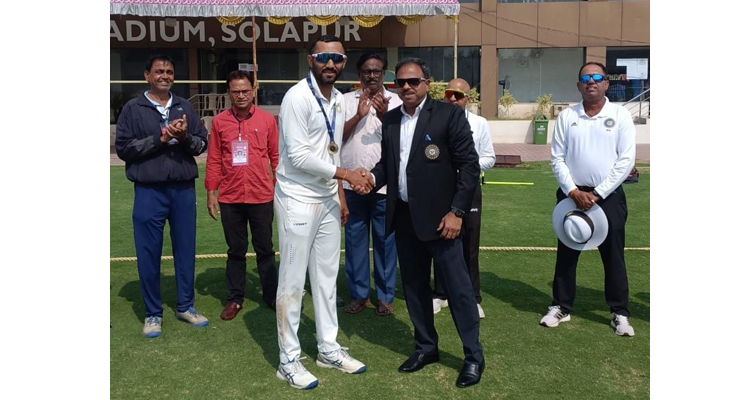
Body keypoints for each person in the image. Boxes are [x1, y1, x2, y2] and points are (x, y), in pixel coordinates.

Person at [362, 57, 485, 388]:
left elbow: (469, 166)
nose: (406, 87)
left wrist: (457, 212)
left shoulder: (449, 115)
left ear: (427, 84)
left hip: (443, 222)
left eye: (413, 81)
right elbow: (389, 165)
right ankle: (426, 347)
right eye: (400, 82)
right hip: (404, 218)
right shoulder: (390, 119)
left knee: (458, 291)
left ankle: (473, 356)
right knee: (415, 289)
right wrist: (370, 178)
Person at [274, 35, 371, 390]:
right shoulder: (297, 97)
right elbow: (299, 156)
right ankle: (288, 360)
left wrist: (340, 194)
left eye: (338, 58)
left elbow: (332, 148)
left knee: (327, 279)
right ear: (310, 60)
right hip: (297, 197)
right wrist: (347, 175)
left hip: (328, 196)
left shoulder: (339, 100)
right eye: (324, 57)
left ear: (344, 63)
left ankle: (328, 349)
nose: (331, 64)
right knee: (292, 282)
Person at [115, 54, 209, 338]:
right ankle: (153, 313)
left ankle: (185, 306)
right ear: (147, 76)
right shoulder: (134, 108)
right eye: (159, 71)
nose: (164, 76)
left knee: (185, 249)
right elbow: (124, 149)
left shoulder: (183, 106)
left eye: (169, 71)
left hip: (182, 190)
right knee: (148, 252)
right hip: (149, 190)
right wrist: (161, 139)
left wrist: (184, 137)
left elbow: (201, 142)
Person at [540, 62, 637, 337]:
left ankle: (619, 312)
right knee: (567, 254)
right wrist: (573, 191)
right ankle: (560, 306)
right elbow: (557, 158)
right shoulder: (567, 116)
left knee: (613, 256)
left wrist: (597, 193)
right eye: (585, 78)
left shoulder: (620, 115)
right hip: (572, 195)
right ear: (578, 85)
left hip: (608, 196)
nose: (591, 81)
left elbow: (625, 160)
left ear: (606, 83)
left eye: (597, 77)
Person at [204, 70, 279, 321]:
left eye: (245, 90)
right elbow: (214, 158)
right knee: (235, 249)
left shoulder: (267, 120)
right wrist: (211, 193)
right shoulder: (219, 122)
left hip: (261, 195)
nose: (241, 95)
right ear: (229, 93)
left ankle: (271, 295)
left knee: (265, 248)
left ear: (253, 90)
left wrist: (279, 187)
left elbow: (276, 156)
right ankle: (235, 298)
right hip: (230, 197)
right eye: (235, 91)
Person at [340, 53, 402, 316]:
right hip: (351, 184)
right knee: (354, 241)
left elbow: (403, 139)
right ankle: (359, 294)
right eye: (367, 71)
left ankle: (385, 297)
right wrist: (358, 116)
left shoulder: (397, 101)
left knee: (385, 242)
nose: (372, 76)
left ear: (384, 74)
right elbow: (335, 139)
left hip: (384, 185)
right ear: (359, 74)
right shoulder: (344, 101)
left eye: (377, 71)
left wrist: (385, 116)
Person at [432, 78, 495, 319]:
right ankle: (440, 293)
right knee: (440, 238)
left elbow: (489, 157)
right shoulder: (435, 121)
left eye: (458, 95)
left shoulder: (479, 123)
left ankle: (472, 297)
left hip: (468, 188)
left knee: (469, 243)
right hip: (441, 187)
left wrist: (467, 166)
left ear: (468, 99)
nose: (452, 99)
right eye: (449, 94)